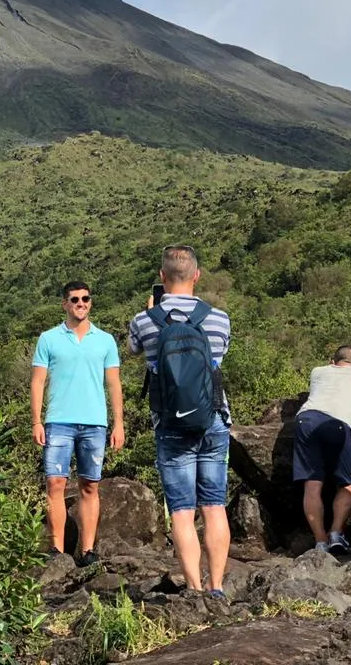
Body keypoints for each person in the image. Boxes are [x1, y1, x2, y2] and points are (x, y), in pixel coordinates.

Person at [128, 245, 232, 598]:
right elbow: (220, 358)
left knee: (183, 511)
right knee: (214, 505)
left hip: (170, 425)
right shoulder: (218, 318)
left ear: (162, 277)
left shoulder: (145, 321)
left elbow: (133, 350)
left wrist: (151, 312)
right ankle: (217, 586)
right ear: (197, 276)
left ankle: (194, 587)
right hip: (214, 419)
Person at [31, 280, 125, 568]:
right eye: (74, 299)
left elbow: (114, 383)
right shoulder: (48, 339)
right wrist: (36, 420)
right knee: (55, 483)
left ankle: (86, 550)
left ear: (91, 303)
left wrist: (118, 423)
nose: (80, 303)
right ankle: (57, 550)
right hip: (58, 421)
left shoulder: (105, 340)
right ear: (64, 303)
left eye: (85, 299)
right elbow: (37, 382)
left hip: (94, 423)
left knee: (89, 485)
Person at [293, 346, 351, 554]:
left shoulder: (318, 371)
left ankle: (319, 542)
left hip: (306, 420)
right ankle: (336, 534)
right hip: (338, 425)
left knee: (312, 484)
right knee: (346, 483)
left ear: (333, 361)